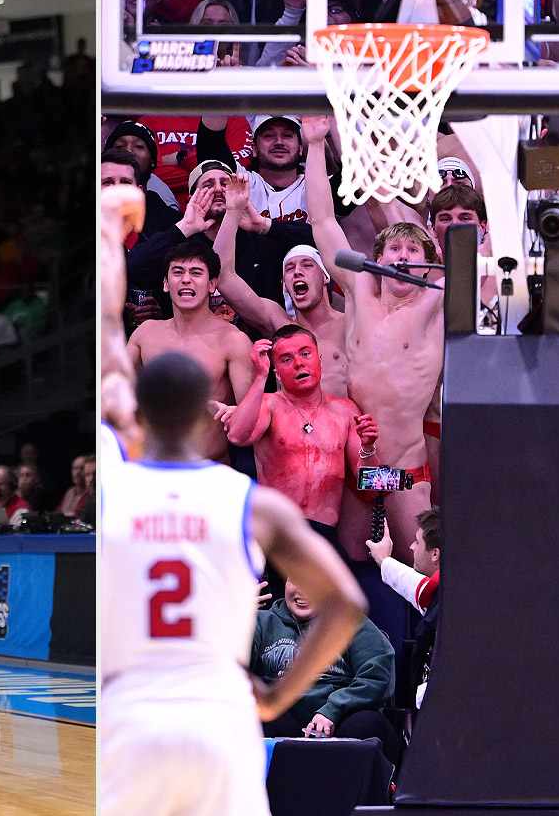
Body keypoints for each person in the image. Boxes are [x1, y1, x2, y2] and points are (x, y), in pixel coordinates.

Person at [100, 351, 366, 816]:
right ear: (206, 412)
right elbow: (347, 603)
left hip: (129, 717)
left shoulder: (111, 496)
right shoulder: (254, 503)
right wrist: (276, 698)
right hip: (220, 717)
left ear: (140, 414)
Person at [303, 115, 442, 562]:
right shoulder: (359, 288)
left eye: (413, 251)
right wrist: (316, 144)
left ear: (429, 264)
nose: (402, 258)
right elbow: (322, 221)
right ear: (377, 259)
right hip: (355, 467)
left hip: (405, 468)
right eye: (394, 250)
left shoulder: (438, 300)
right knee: (354, 573)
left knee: (418, 572)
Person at [225, 326, 379, 536]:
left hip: (322, 532)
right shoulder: (268, 404)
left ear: (319, 360)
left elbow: (372, 488)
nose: (299, 363)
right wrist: (260, 377)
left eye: (305, 354)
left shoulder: (345, 410)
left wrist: (368, 448)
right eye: (286, 359)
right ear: (277, 372)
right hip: (276, 530)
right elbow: (237, 436)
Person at [213, 174, 349, 396]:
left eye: (307, 265)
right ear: (285, 285)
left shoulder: (350, 322)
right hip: (292, 418)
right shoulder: (279, 324)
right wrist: (232, 212)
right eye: (289, 268)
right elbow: (224, 276)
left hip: (344, 417)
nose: (297, 272)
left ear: (325, 276)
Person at [126, 237, 254, 462]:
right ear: (166, 284)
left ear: (212, 284)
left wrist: (236, 414)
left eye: (196, 273)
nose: (186, 279)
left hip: (209, 469)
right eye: (177, 272)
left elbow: (251, 422)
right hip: (151, 469)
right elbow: (115, 395)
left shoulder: (233, 341)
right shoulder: (144, 334)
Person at [250, 578, 399, 755]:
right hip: (282, 716)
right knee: (250, 719)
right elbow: (230, 668)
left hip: (340, 716)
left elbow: (377, 674)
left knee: (367, 724)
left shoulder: (349, 620)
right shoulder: (261, 621)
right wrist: (237, 619)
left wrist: (333, 710)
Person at [367, 506, 442, 708]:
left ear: (435, 554)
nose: (411, 547)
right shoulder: (440, 591)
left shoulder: (452, 597)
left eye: (417, 542)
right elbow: (417, 587)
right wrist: (384, 560)